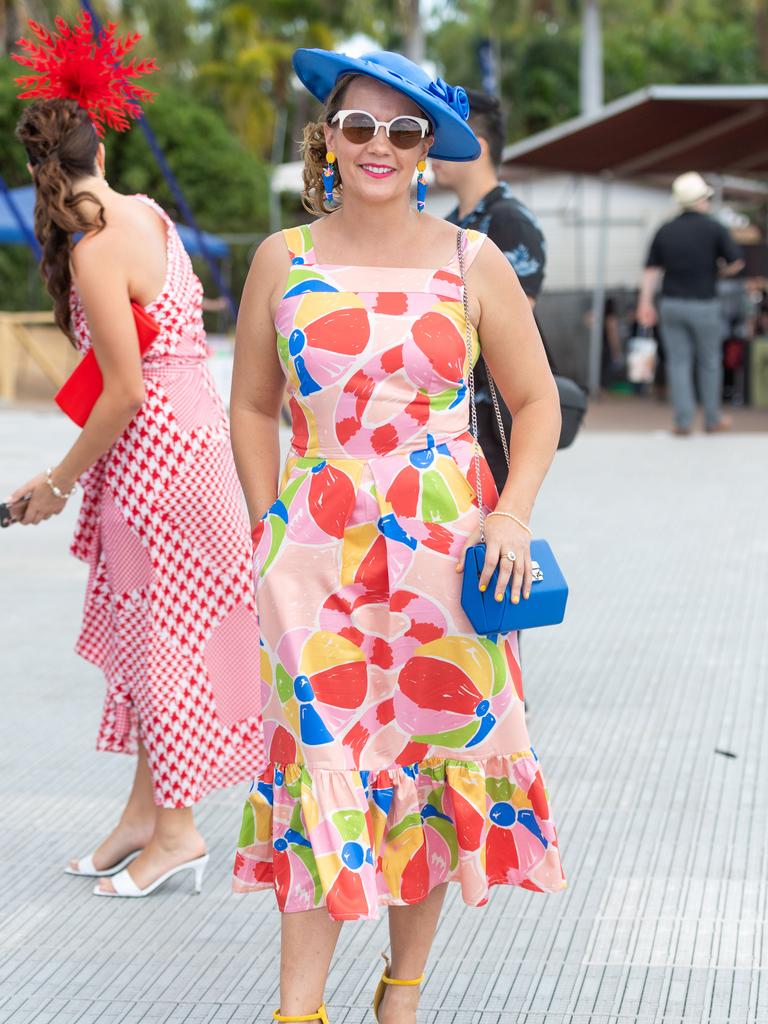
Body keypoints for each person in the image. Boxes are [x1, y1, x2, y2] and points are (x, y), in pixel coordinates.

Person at [230, 48, 566, 1024]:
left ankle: (401, 993)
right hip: (313, 570)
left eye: (404, 130)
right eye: (359, 125)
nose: (380, 145)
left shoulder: (473, 258)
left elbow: (536, 400)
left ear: (430, 149)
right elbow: (251, 405)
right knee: (322, 763)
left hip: (445, 562)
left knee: (428, 764)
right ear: (326, 139)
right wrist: (267, 521)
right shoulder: (280, 259)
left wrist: (511, 512)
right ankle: (300, 1008)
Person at [7, 15, 264, 899]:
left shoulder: (94, 248)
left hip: (154, 460)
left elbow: (123, 389)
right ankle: (143, 818)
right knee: (164, 631)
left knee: (160, 641)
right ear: (101, 147)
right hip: (196, 446)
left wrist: (55, 481)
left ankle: (181, 832)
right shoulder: (147, 215)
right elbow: (150, 364)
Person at [431, 89, 547, 490]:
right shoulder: (445, 224)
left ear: (475, 148)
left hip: (492, 413)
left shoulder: (510, 221)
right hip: (445, 411)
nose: (431, 153)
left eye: (444, 144)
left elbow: (512, 327)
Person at [636, 171, 744, 435]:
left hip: (671, 304)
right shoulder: (714, 228)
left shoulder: (665, 229)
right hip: (705, 303)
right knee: (709, 361)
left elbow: (650, 270)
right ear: (702, 200)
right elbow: (736, 263)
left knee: (678, 363)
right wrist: (716, 271)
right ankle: (712, 418)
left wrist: (644, 303)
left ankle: (683, 421)